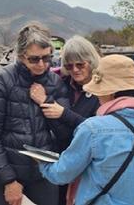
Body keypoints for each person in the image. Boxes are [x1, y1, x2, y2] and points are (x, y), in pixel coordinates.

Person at [39, 54, 134, 205]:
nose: (97, 95)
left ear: (110, 92)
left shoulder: (93, 129)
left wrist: (42, 162)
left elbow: (62, 174)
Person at [0, 23, 68, 205]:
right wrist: (8, 180)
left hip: (44, 176)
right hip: (7, 177)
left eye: (46, 58)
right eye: (34, 59)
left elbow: (64, 132)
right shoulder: (0, 83)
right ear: (20, 56)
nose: (42, 65)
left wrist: (46, 103)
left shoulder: (55, 82)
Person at [30, 35, 101, 204]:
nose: (75, 70)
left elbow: (99, 130)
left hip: (89, 165)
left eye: (80, 64)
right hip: (63, 160)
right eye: (69, 65)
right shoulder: (62, 83)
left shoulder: (103, 90)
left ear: (91, 61)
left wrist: (62, 113)